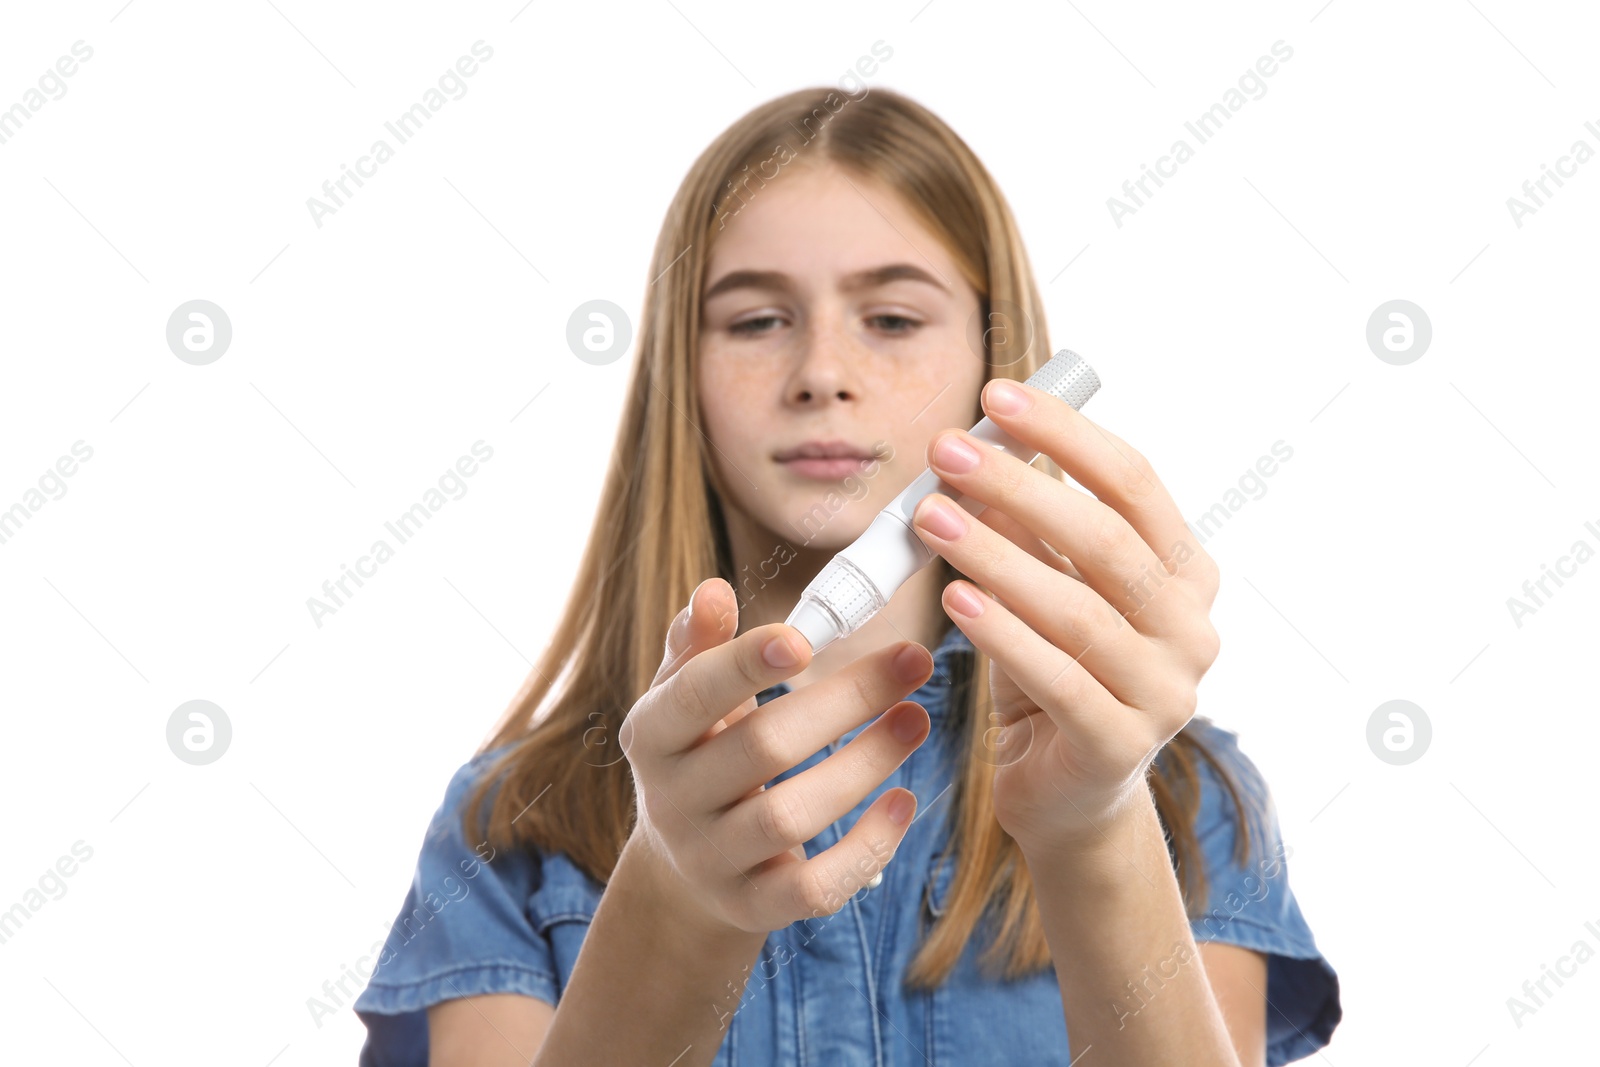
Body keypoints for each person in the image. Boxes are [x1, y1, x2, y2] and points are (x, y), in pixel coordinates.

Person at [353, 84, 1341, 1066]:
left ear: (993, 369)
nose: (822, 370)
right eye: (753, 321)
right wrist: (675, 898)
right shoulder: (511, 823)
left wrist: (1092, 831)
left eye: (894, 318)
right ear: (676, 376)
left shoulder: (1184, 800)